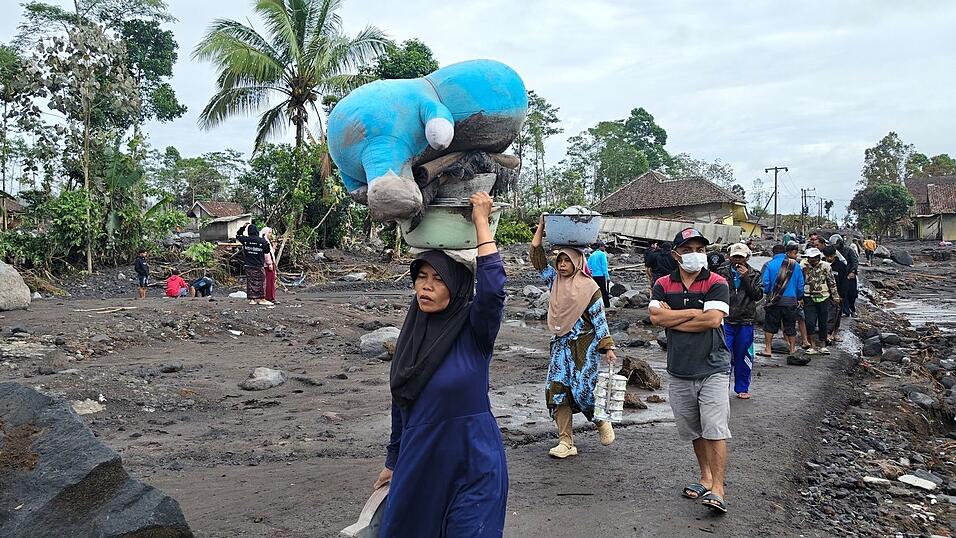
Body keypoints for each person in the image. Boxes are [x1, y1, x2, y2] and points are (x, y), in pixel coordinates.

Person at [374, 192, 507, 536]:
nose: (427, 287)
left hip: (473, 458)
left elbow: (492, 290)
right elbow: (401, 402)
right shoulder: (411, 339)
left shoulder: (474, 331)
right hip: (421, 460)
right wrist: (393, 461)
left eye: (439, 279)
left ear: (457, 285)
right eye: (421, 277)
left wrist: (480, 221)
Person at [648, 227, 732, 514]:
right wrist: (693, 312)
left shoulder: (717, 282)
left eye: (700, 249)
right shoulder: (662, 283)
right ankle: (705, 478)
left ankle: (718, 489)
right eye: (687, 250)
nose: (695, 255)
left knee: (715, 427)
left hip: (713, 367)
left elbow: (712, 321)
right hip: (679, 369)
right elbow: (655, 317)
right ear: (675, 255)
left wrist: (673, 319)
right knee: (694, 429)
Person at [531, 215, 617, 459]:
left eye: (566, 260)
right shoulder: (554, 281)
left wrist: (607, 347)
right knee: (557, 390)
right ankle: (565, 442)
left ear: (578, 262)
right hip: (560, 345)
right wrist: (541, 227)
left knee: (583, 391)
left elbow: (600, 319)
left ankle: (600, 420)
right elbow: (536, 258)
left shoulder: (590, 288)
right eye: (559, 260)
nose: (561, 265)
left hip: (585, 346)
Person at [716, 243, 763, 399]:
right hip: (726, 319)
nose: (737, 261)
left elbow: (757, 295)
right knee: (724, 355)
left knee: (744, 355)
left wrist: (746, 278)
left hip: (746, 320)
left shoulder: (754, 274)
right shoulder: (721, 272)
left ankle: (742, 387)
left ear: (747, 258)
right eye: (735, 257)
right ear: (730, 257)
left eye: (741, 257)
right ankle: (722, 387)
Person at [759, 241, 805, 357]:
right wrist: (798, 297)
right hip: (791, 301)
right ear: (785, 252)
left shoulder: (770, 265)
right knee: (790, 325)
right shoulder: (795, 265)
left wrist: (770, 294)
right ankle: (792, 349)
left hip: (774, 301)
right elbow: (800, 285)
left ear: (773, 253)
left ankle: (768, 349)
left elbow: (766, 283)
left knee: (770, 325)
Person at [800, 248, 840, 355]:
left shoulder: (826, 266)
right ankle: (812, 345)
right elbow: (800, 282)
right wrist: (799, 297)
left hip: (823, 296)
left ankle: (823, 344)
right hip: (808, 296)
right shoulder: (803, 267)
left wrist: (835, 296)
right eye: (810, 258)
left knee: (823, 321)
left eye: (813, 259)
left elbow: (831, 282)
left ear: (818, 257)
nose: (811, 261)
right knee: (810, 321)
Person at [236, 223, 272, 306]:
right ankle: (262, 299)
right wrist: (265, 241)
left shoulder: (245, 240)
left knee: (250, 282)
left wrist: (243, 227)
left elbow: (238, 235)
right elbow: (267, 250)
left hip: (248, 265)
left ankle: (252, 300)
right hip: (258, 265)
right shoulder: (261, 241)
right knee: (261, 282)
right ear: (256, 231)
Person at [822, 246, 847, 344]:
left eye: (831, 256)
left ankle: (835, 333)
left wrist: (841, 295)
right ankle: (826, 333)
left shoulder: (841, 266)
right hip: (824, 292)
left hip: (838, 293)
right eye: (827, 256)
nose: (829, 259)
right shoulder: (822, 264)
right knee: (826, 314)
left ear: (834, 255)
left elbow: (844, 282)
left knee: (837, 314)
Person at [830, 234, 858, 317]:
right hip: (840, 277)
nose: (836, 246)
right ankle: (844, 311)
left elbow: (854, 261)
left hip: (849, 275)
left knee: (852, 294)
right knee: (841, 294)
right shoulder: (833, 252)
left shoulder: (848, 250)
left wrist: (852, 271)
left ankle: (852, 309)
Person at [587, 240, 611, 308]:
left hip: (594, 275)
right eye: (604, 247)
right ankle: (606, 305)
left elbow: (588, 266)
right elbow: (604, 266)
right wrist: (607, 276)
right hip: (601, 275)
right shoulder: (602, 254)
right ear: (600, 247)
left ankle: (596, 305)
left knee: (595, 291)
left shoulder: (592, 255)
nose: (605, 248)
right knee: (603, 291)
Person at [260, 227, 278, 303]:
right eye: (269, 232)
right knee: (269, 281)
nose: (271, 234)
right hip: (267, 265)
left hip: (269, 263)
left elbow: (270, 253)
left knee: (271, 280)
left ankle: (269, 296)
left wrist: (273, 248)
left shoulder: (266, 241)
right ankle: (269, 297)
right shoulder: (264, 242)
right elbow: (266, 254)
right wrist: (270, 263)